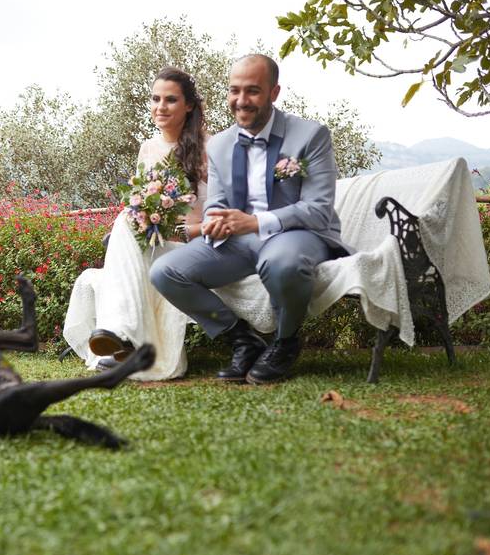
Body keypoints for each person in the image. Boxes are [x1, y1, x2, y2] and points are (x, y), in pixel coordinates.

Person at [150, 55, 353, 384]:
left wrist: (255, 223)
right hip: (238, 242)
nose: (241, 101)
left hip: (297, 233)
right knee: (165, 271)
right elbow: (216, 202)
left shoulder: (310, 135)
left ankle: (285, 343)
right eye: (235, 91)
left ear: (274, 93)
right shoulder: (219, 145)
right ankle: (241, 339)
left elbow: (318, 208)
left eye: (253, 91)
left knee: (282, 263)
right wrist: (216, 220)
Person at [62, 67, 207, 380]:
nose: (160, 107)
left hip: (195, 246)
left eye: (170, 99)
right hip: (156, 244)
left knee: (125, 222)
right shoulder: (148, 149)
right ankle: (122, 338)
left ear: (189, 105)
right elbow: (138, 203)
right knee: (128, 219)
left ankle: (122, 340)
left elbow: (223, 212)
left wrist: (183, 229)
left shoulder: (211, 149)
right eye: (156, 99)